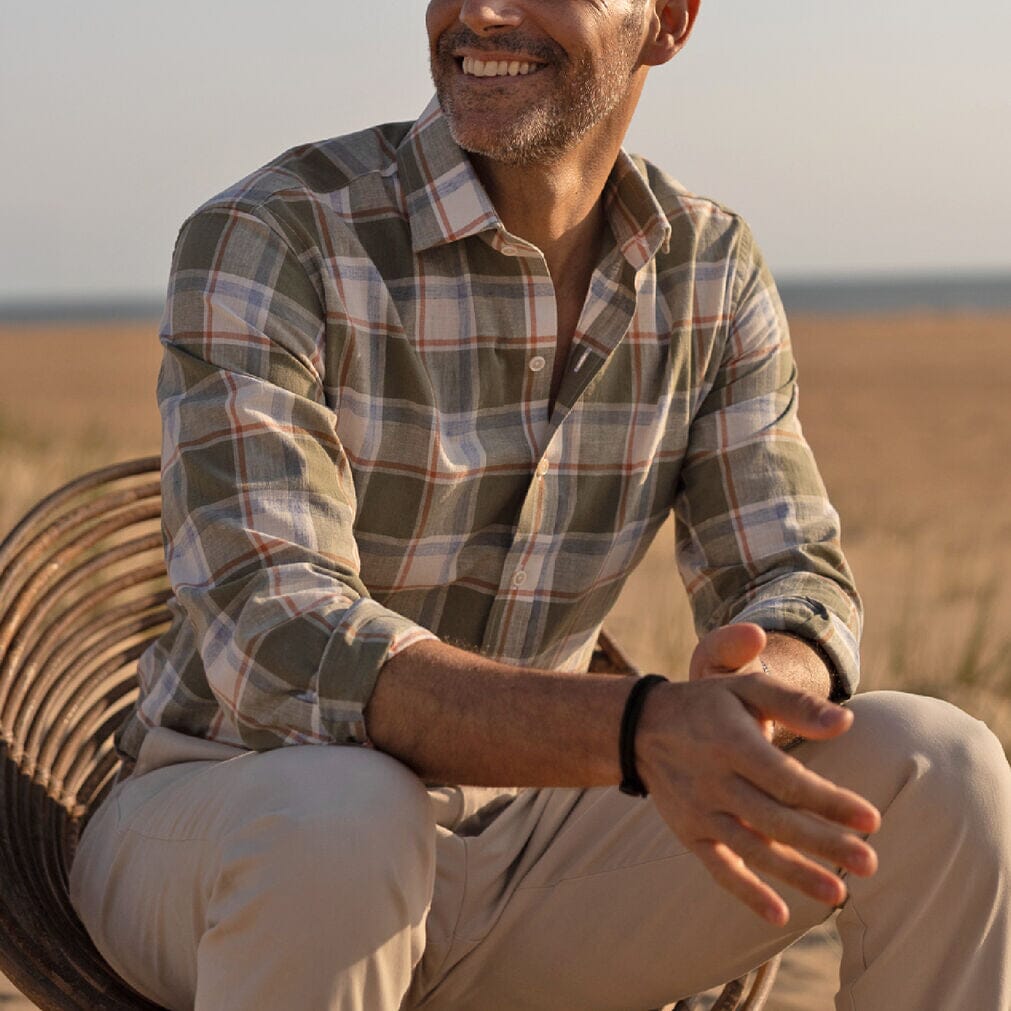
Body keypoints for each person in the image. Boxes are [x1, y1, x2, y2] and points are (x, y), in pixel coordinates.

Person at [70, 1, 1011, 1008]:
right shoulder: (275, 235)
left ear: (670, 22)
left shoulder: (709, 269)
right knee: (345, 813)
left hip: (530, 844)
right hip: (230, 813)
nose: (480, 11)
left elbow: (790, 573)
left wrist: (759, 691)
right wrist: (640, 729)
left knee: (941, 770)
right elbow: (279, 629)